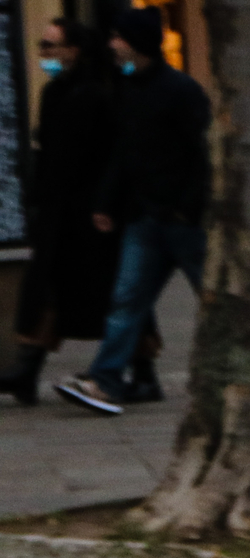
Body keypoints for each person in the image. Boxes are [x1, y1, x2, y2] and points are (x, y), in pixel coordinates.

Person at [54, 7, 209, 417]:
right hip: (145, 215)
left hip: (182, 219)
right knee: (126, 299)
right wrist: (107, 202)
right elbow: (124, 152)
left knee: (213, 298)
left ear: (136, 41)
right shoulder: (130, 90)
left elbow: (200, 154)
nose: (111, 44)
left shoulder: (180, 91)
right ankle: (104, 381)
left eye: (119, 37)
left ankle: (241, 376)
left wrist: (189, 207)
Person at [2, 18, 120, 405]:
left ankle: (141, 365)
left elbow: (105, 155)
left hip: (89, 213)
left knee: (106, 289)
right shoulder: (56, 93)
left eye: (51, 46)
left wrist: (103, 202)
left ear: (74, 51)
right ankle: (27, 369)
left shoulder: (97, 95)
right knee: (46, 288)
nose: (44, 55)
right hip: (57, 210)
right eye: (43, 46)